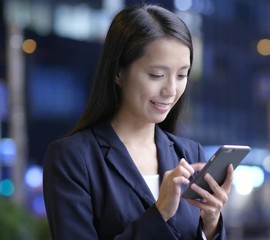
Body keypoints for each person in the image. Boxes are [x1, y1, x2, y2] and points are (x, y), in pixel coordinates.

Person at [42, 4, 233, 240]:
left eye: (182, 75)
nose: (171, 90)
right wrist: (159, 212)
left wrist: (211, 223)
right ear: (118, 72)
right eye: (157, 75)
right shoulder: (73, 158)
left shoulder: (190, 153)